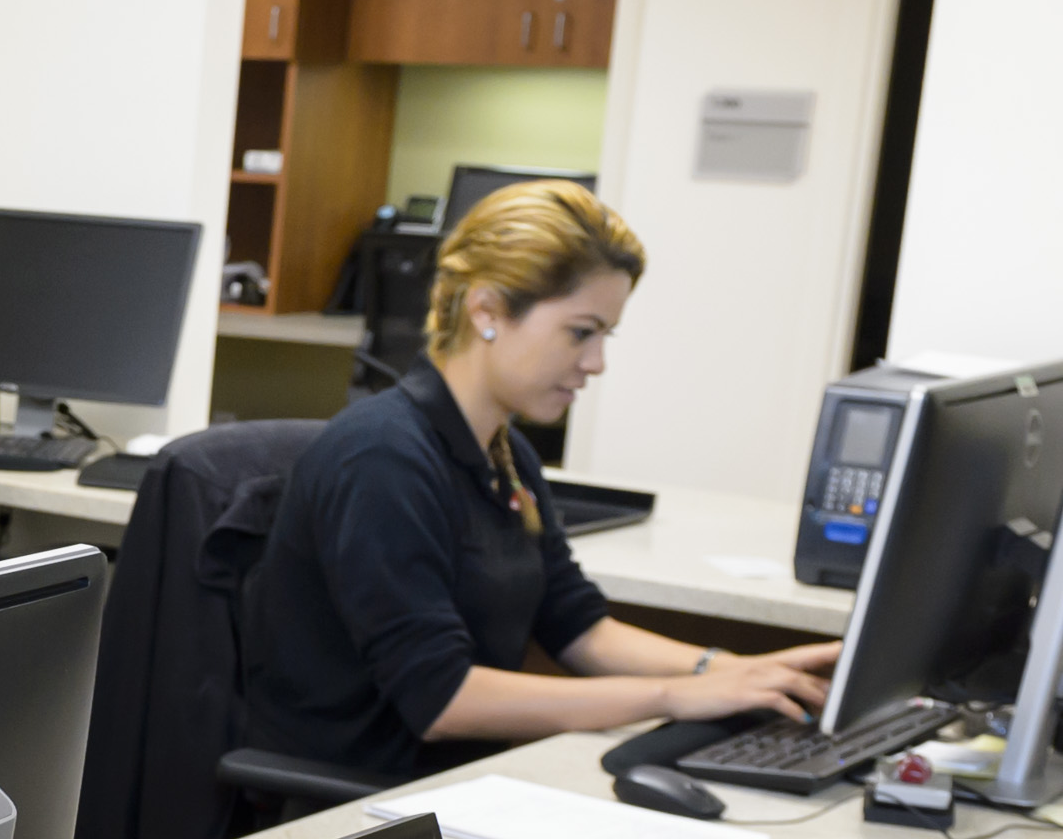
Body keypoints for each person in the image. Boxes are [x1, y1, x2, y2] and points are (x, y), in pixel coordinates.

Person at [242, 180, 838, 783]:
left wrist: (729, 671)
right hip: (360, 801)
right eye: (581, 332)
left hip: (456, 782)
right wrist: (674, 696)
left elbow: (577, 626)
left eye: (604, 335)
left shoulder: (506, 452)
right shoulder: (380, 459)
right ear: (487, 311)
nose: (596, 362)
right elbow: (443, 700)